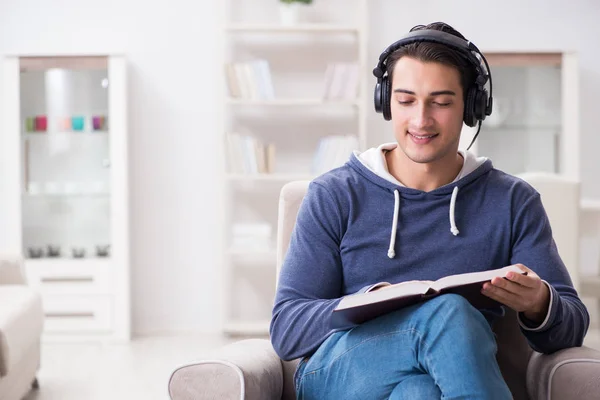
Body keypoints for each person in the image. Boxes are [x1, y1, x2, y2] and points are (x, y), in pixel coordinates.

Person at [269, 21, 589, 399]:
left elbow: (571, 326)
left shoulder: (512, 201)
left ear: (471, 107)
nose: (421, 120)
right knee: (448, 313)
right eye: (405, 101)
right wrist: (366, 303)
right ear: (385, 101)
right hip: (339, 374)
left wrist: (539, 303)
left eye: (441, 102)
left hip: (444, 382)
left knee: (419, 392)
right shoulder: (335, 194)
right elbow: (288, 329)